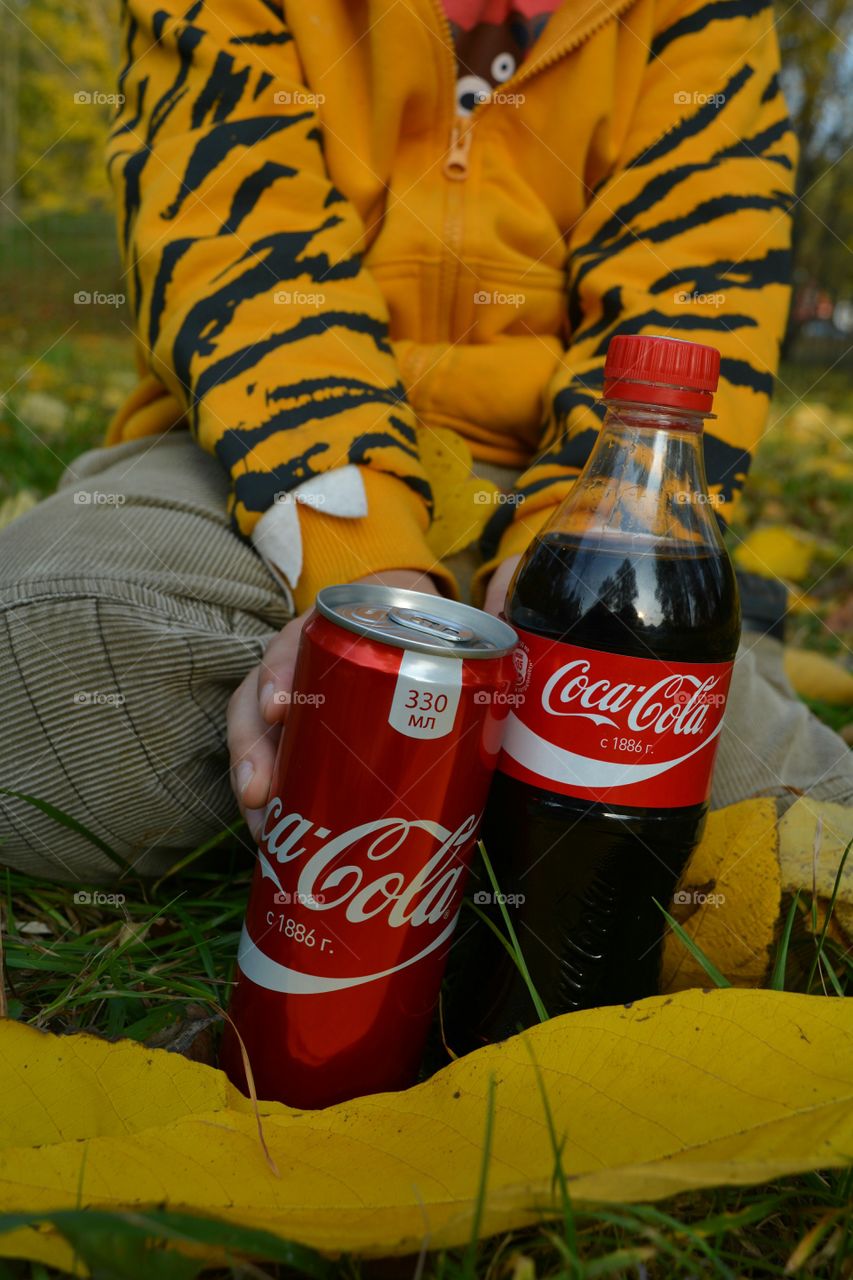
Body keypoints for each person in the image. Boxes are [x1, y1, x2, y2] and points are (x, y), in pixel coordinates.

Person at [1, 0, 850, 882]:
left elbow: (693, 299)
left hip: (563, 500)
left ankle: (393, 801)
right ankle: (521, 795)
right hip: (262, 463)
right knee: (45, 658)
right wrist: (370, 593)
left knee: (808, 827)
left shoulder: (707, 15)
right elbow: (235, 244)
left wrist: (567, 586)